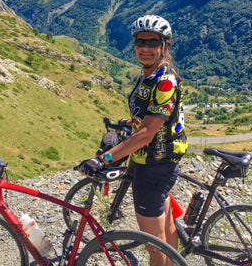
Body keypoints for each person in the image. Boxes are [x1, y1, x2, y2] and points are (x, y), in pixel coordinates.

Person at [77, 15, 188, 265]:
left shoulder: (164, 81)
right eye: (140, 42)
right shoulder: (149, 73)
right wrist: (131, 123)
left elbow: (148, 134)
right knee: (166, 224)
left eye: (152, 42)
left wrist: (104, 158)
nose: (145, 48)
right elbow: (152, 119)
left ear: (165, 46)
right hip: (152, 161)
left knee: (153, 241)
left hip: (155, 164)